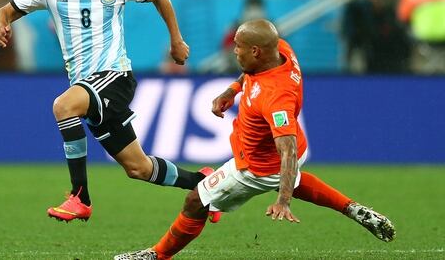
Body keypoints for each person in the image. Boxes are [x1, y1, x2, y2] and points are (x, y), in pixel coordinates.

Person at [114, 19, 396, 260]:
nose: (234, 51)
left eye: (238, 47)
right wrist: (233, 89)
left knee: (194, 201)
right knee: (294, 179)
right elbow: (251, 74)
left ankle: (156, 255)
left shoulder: (276, 98)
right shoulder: (280, 50)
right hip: (275, 152)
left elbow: (288, 152)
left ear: (256, 51)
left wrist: (283, 201)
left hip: (257, 168)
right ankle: (353, 209)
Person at [0, 0, 214, 223]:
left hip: (114, 77)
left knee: (63, 106)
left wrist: (176, 40)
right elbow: (6, 10)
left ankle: (79, 197)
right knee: (138, 168)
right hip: (85, 85)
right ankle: (204, 184)